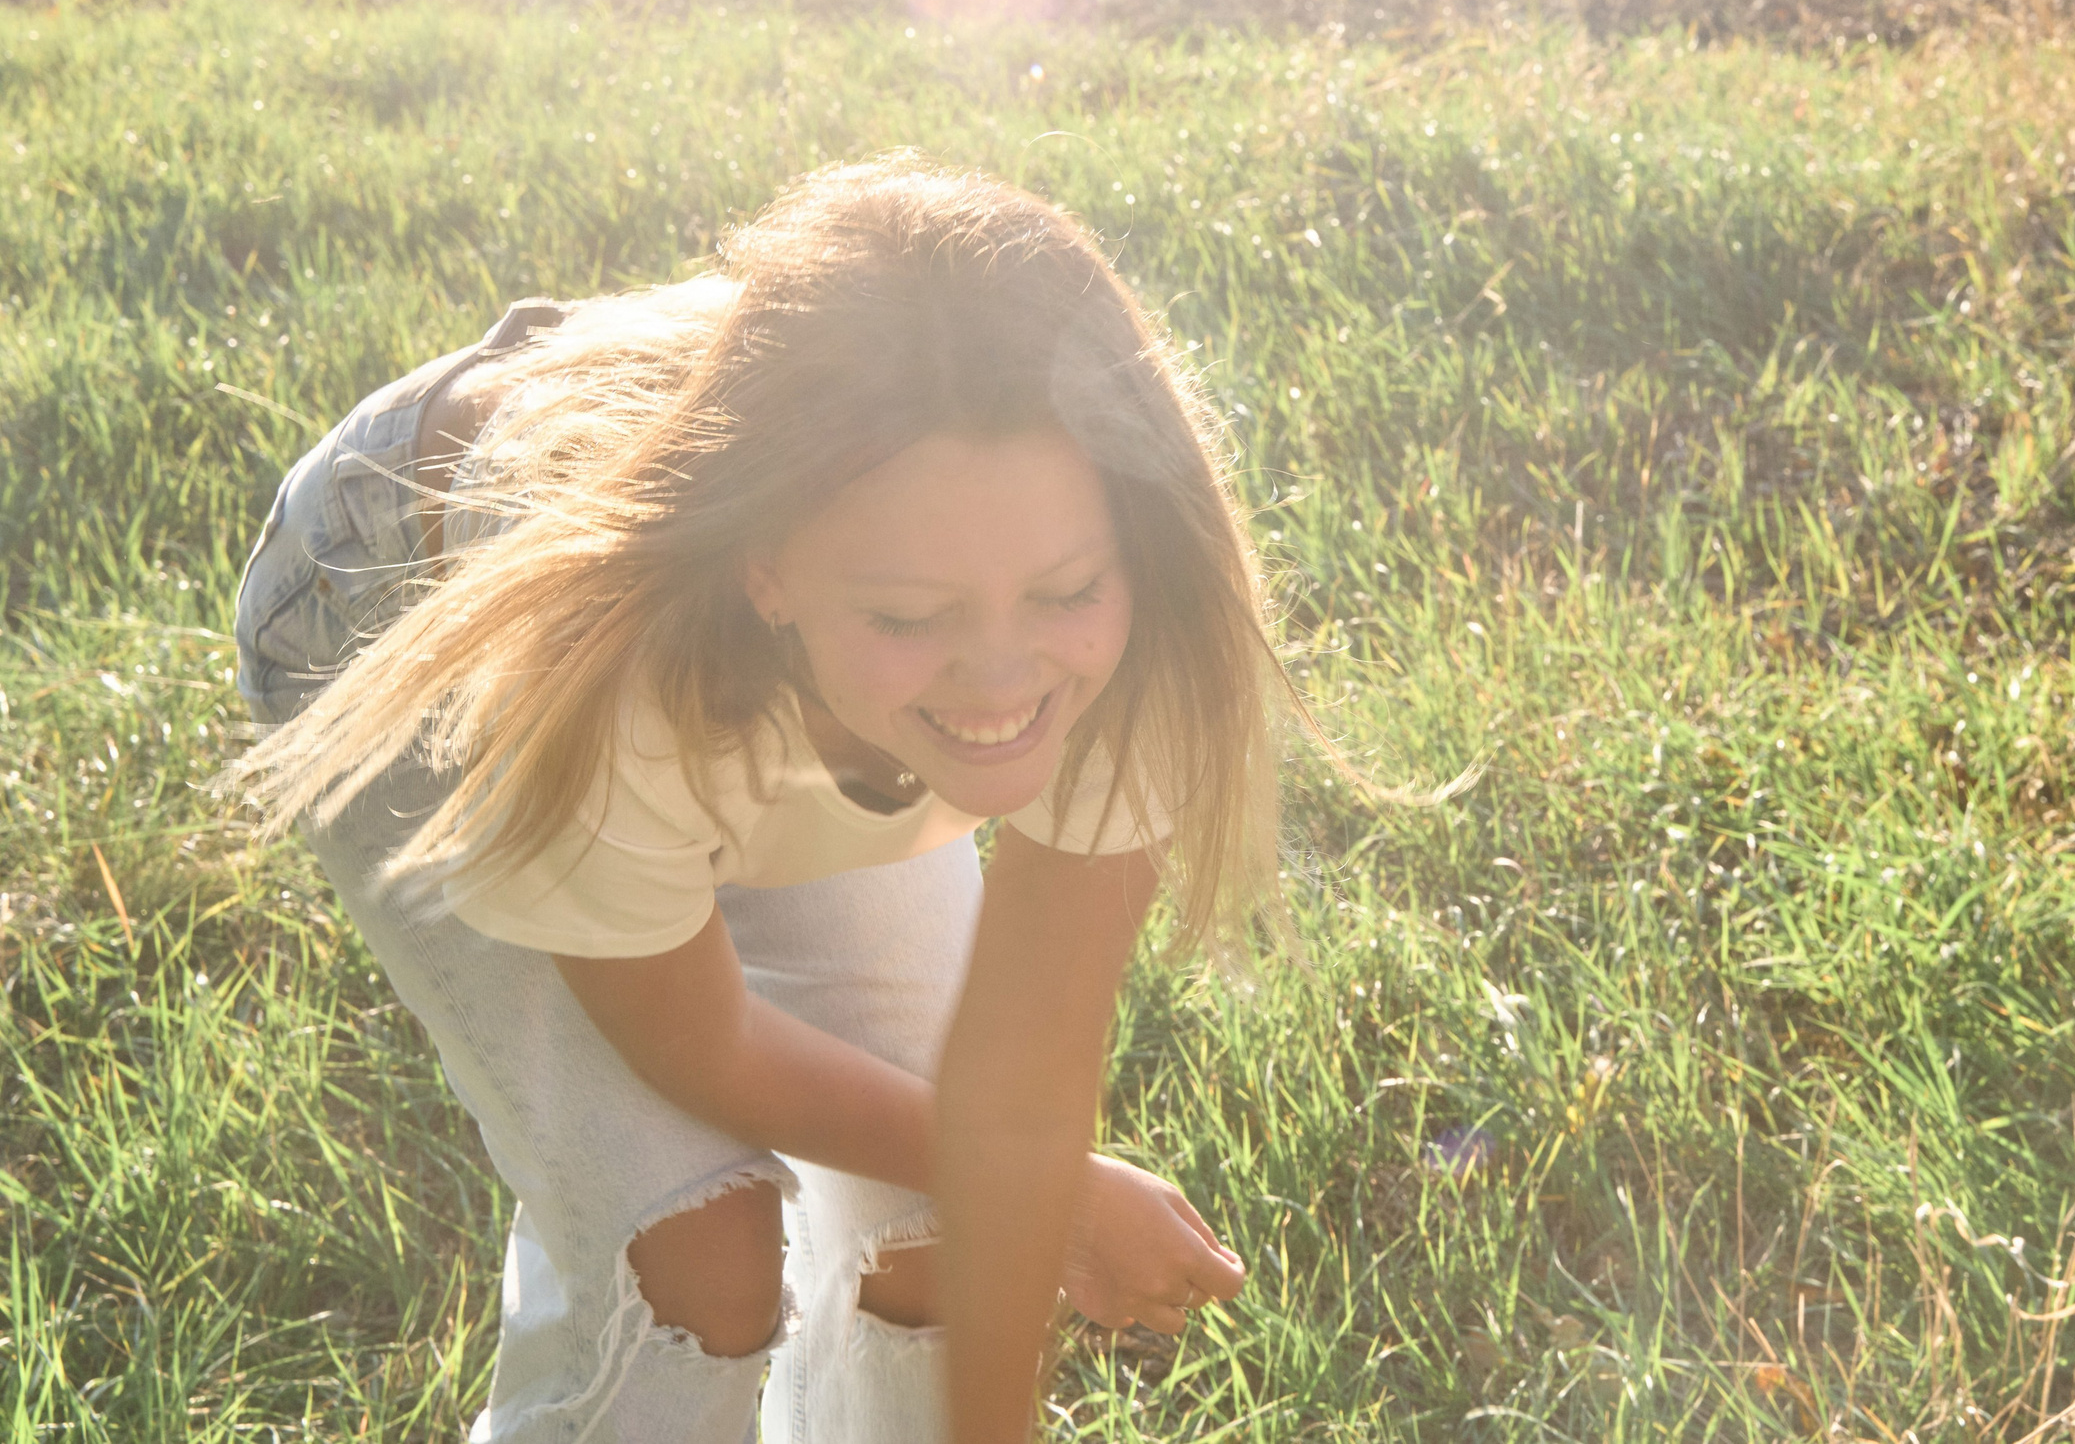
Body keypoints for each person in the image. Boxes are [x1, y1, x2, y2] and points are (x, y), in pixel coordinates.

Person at [231, 156, 1290, 1443]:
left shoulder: (1139, 626)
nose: (1007, 679)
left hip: (786, 679)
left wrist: (1038, 1194)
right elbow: (699, 1041)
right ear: (771, 574)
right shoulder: (605, 672)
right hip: (406, 605)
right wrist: (1051, 1187)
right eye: (913, 613)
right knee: (692, 1253)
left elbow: (1014, 1098)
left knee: (935, 1218)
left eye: (1066, 591)